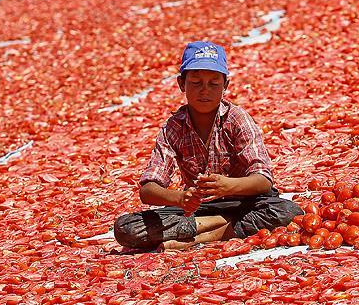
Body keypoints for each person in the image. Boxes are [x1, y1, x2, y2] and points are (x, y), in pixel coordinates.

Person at [114, 41, 303, 251]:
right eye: (196, 83)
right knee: (126, 228)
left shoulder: (237, 119)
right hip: (200, 208)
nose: (205, 91)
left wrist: (228, 185)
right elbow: (148, 189)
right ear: (181, 84)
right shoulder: (174, 127)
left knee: (288, 213)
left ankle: (202, 237)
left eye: (213, 84)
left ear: (225, 86)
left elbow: (264, 180)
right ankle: (219, 223)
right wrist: (179, 198)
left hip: (247, 203)